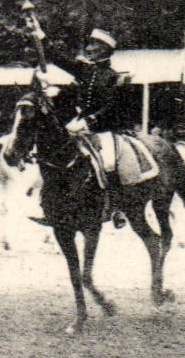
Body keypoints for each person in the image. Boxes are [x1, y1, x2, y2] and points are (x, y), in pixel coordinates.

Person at [57, 28, 138, 226]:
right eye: (89, 44)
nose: (89, 48)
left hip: (103, 130)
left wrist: (90, 120)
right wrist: (37, 33)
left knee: (109, 162)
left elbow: (111, 108)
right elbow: (56, 58)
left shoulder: (112, 77)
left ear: (106, 49)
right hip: (78, 126)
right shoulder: (84, 70)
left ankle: (118, 208)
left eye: (94, 45)